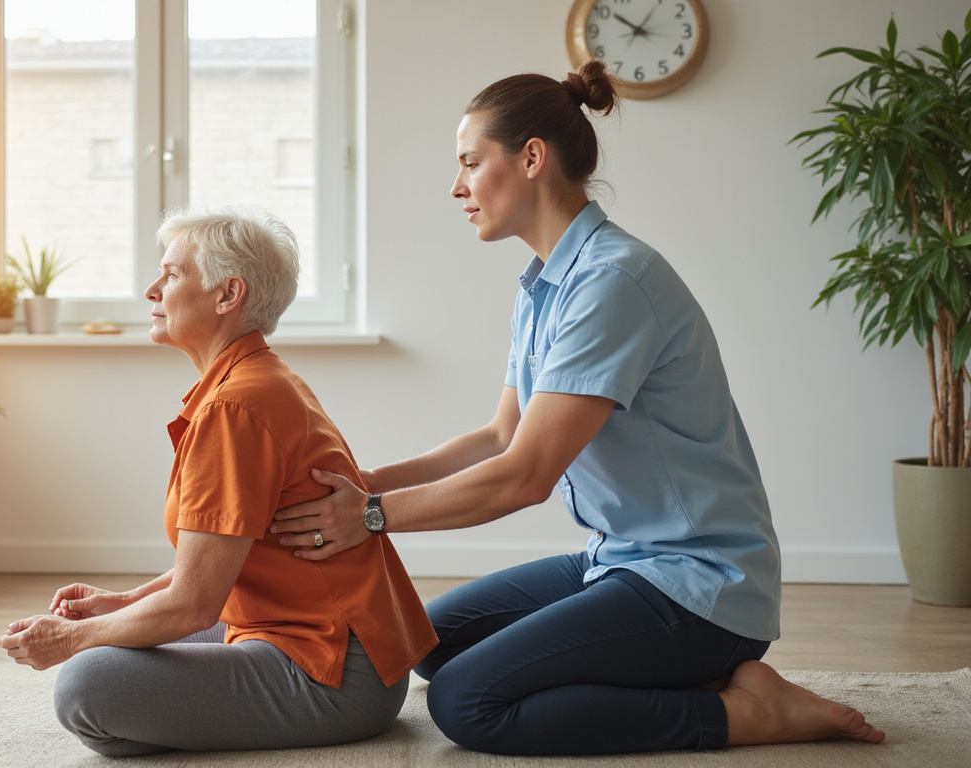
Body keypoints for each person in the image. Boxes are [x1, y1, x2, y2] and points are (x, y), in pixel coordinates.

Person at [269, 63, 886, 756]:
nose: (457, 187)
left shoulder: (611, 282)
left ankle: (746, 715)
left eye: (471, 162)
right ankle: (711, 681)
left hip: (700, 584)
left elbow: (524, 475)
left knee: (467, 702)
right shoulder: (545, 286)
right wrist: (365, 484)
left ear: (531, 158)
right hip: (619, 558)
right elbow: (501, 435)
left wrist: (371, 518)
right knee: (432, 643)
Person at [0, 205, 437, 756]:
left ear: (228, 294)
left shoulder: (236, 407)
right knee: (121, 649)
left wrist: (68, 639)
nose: (152, 290)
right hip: (322, 643)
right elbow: (218, 561)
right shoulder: (257, 380)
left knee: (87, 683)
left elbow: (194, 605)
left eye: (172, 274)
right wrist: (123, 603)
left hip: (334, 675)